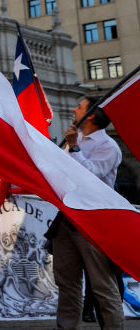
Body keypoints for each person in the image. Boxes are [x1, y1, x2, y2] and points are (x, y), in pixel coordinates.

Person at [51, 96, 124, 330]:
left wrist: (73, 148)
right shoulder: (75, 138)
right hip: (67, 218)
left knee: (102, 285)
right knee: (67, 283)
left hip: (93, 221)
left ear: (91, 114)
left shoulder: (108, 146)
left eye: (80, 107)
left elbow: (91, 175)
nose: (73, 109)